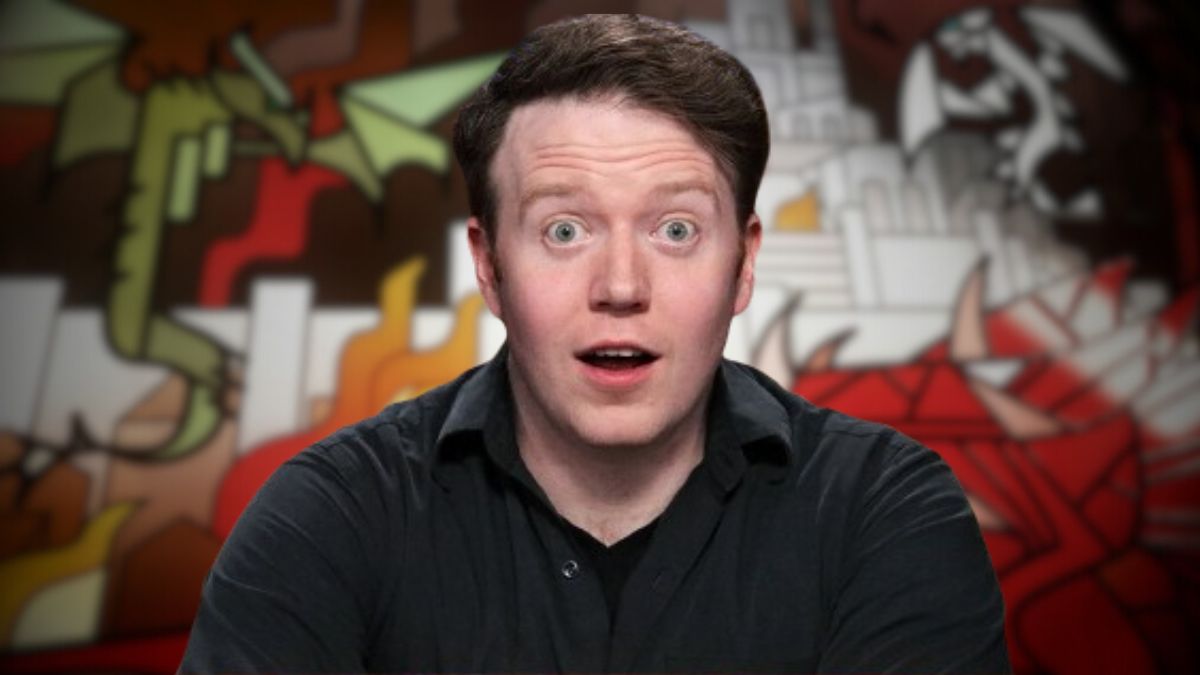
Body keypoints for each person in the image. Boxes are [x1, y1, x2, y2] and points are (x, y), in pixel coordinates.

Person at [181, 14, 1009, 673]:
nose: (620, 284)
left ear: (745, 263)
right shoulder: (333, 516)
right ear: (489, 266)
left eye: (676, 229)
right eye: (565, 229)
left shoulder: (881, 512)